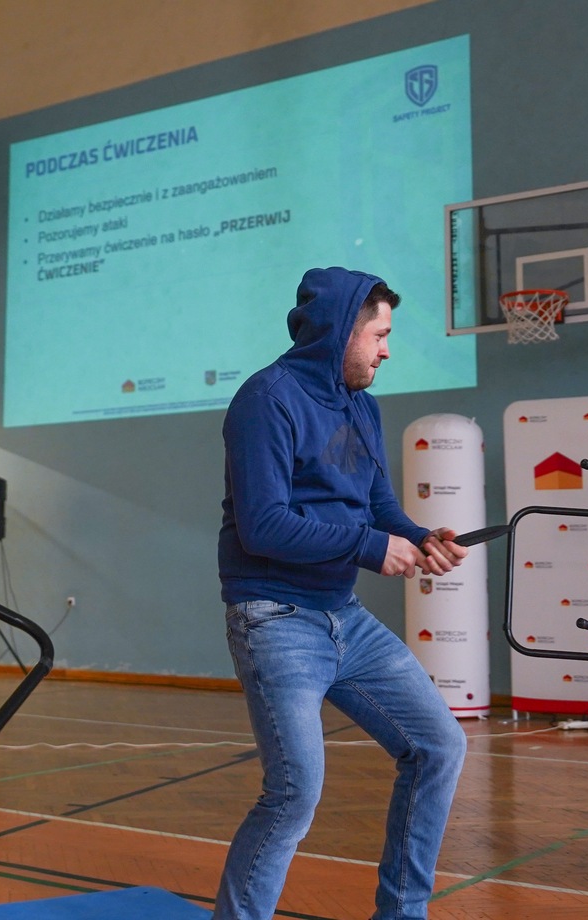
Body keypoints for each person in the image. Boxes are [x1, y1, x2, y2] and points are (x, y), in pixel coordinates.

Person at [213, 266, 469, 920]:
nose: (387, 351)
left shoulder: (362, 405)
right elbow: (263, 525)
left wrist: (420, 536)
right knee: (294, 794)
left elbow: (378, 505)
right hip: (275, 617)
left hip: (344, 618)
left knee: (439, 746)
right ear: (340, 332)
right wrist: (370, 548)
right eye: (379, 336)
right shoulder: (265, 400)